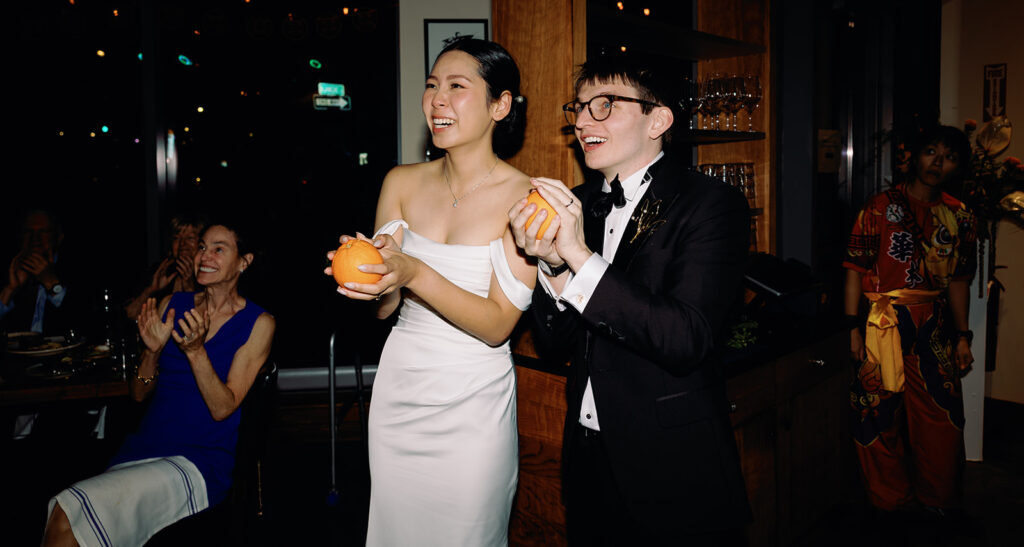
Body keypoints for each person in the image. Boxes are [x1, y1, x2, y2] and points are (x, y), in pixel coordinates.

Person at [508, 53, 752, 546]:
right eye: (578, 108)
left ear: (658, 119)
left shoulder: (711, 204)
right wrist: (552, 265)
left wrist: (576, 253)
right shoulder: (579, 204)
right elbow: (555, 344)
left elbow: (685, 338)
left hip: (674, 464)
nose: (581, 121)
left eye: (604, 105)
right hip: (588, 458)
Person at [326, 37, 536, 546]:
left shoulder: (525, 197)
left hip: (474, 404)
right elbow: (386, 312)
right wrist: (374, 280)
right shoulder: (400, 181)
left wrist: (414, 271)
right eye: (431, 85)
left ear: (499, 105)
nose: (437, 99)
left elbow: (496, 326)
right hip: (401, 393)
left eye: (457, 87)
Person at [41, 220, 275, 547]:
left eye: (219, 249)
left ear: (244, 262)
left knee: (68, 511)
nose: (204, 255)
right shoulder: (171, 305)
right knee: (65, 517)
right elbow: (138, 393)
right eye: (203, 247)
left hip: (200, 460)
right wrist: (151, 352)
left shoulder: (259, 323)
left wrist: (195, 352)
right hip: (145, 447)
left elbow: (223, 408)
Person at [844, 124, 976, 520]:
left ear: (958, 166)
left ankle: (938, 499)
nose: (938, 162)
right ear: (914, 156)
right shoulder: (880, 207)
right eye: (931, 152)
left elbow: (958, 280)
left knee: (943, 414)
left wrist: (963, 335)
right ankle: (889, 501)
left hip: (933, 322)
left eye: (949, 156)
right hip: (882, 320)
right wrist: (851, 326)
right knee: (877, 410)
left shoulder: (959, 215)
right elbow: (854, 268)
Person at [123, 213, 207, 323]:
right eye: (176, 238)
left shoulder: (208, 275)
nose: (182, 244)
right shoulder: (160, 271)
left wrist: (189, 289)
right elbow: (129, 316)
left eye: (190, 238)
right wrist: (150, 290)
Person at [0, 209, 73, 336]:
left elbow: (87, 320)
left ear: (58, 237)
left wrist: (52, 284)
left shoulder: (76, 268)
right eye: (28, 232)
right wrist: (9, 290)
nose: (35, 238)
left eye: (43, 232)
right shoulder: (11, 268)